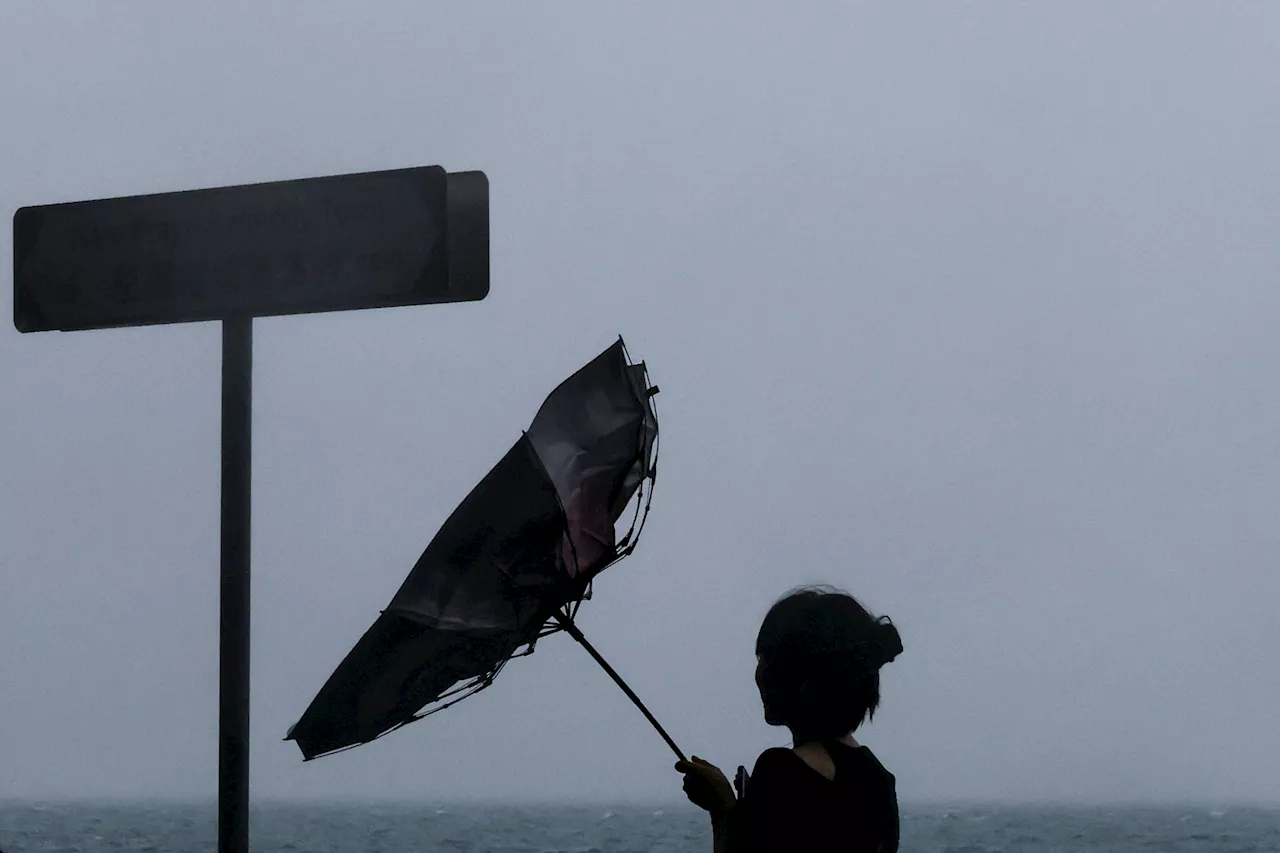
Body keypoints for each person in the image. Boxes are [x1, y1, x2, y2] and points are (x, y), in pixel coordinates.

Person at [676, 585, 903, 852]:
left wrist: (723, 811)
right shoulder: (880, 781)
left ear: (799, 676)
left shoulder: (780, 772)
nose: (758, 673)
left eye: (767, 658)